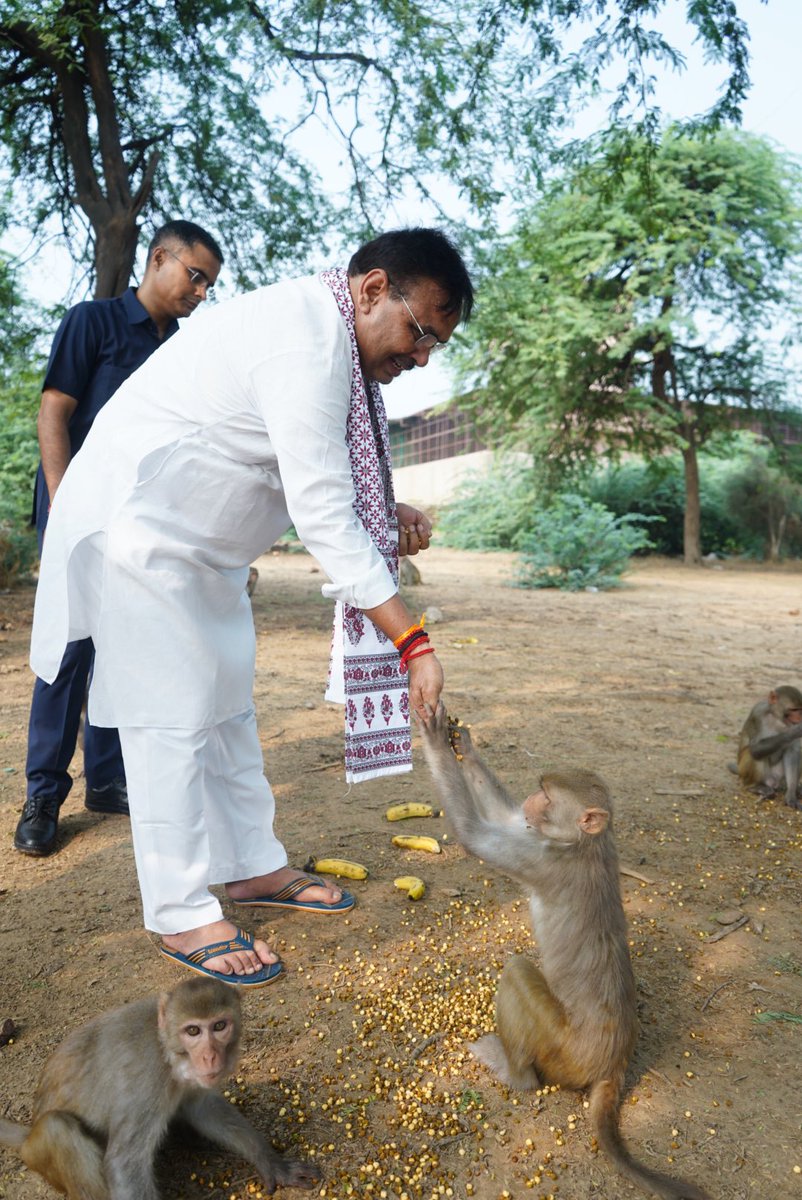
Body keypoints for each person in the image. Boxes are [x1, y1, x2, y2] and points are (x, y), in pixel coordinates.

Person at [30, 227, 474, 987]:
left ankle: (250, 869)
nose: (423, 356)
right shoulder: (304, 340)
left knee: (227, 706)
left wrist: (384, 505)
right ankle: (178, 911)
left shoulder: (330, 341)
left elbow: (309, 467)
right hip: (141, 533)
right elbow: (325, 511)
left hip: (204, 555)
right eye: (421, 331)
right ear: (371, 290)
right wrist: (413, 642)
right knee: (170, 720)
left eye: (436, 344)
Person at [15, 220, 223, 857]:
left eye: (210, 285)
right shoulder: (93, 321)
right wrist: (62, 509)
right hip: (79, 514)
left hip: (143, 524)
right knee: (68, 652)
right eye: (195, 275)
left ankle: (107, 781)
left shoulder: (185, 349)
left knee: (125, 649)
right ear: (159, 259)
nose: (201, 292)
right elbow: (55, 410)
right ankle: (43, 793)